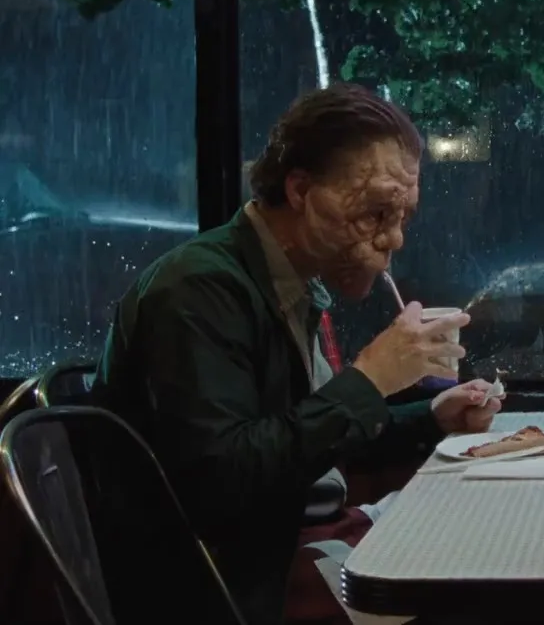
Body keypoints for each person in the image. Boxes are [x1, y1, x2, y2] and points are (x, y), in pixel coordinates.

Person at [92, 83, 501, 625]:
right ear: (301, 189)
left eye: (403, 217)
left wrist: (431, 416)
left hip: (293, 540)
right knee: (478, 592)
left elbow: (307, 439)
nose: (395, 239)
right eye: (376, 212)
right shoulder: (197, 291)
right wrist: (370, 378)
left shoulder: (292, 285)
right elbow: (226, 481)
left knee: (491, 541)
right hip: (232, 581)